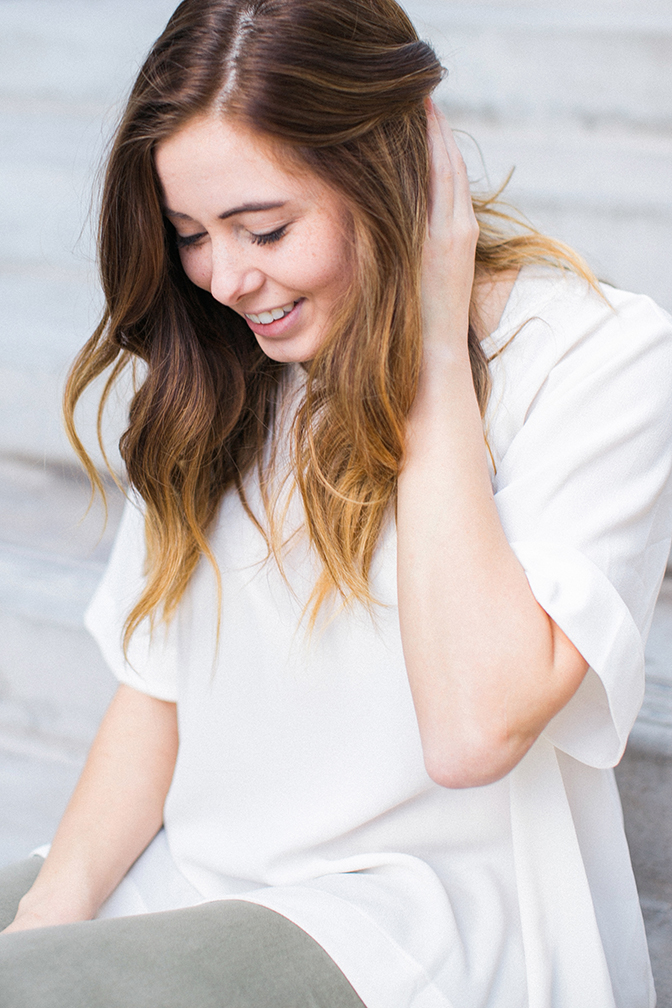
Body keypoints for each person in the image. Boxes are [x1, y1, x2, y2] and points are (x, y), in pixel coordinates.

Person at [1, 0, 671, 1005]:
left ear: (392, 171)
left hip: (414, 927)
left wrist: (433, 346)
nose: (227, 279)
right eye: (191, 235)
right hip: (198, 878)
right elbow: (157, 691)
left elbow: (474, 729)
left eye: (265, 228)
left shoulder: (593, 357)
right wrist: (43, 923)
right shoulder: (225, 372)